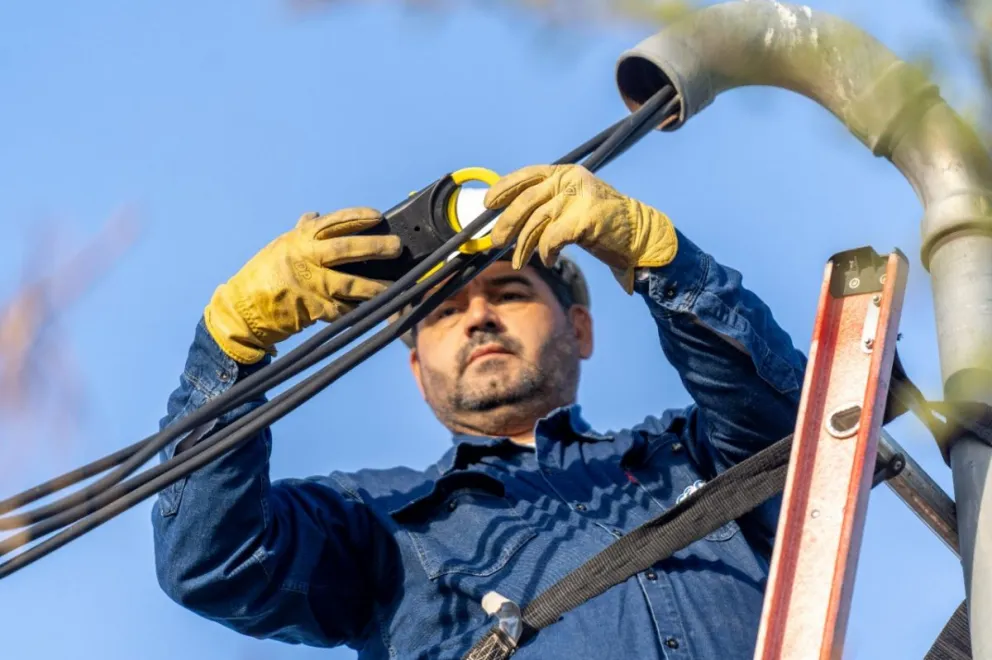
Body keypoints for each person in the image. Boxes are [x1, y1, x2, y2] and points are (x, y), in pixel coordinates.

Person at [152, 164, 807, 659]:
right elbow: (213, 564)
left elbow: (808, 430)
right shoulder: (377, 524)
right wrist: (229, 346)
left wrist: (665, 259)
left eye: (510, 290)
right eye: (443, 311)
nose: (480, 318)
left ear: (579, 327)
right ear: (417, 370)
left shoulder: (687, 458)